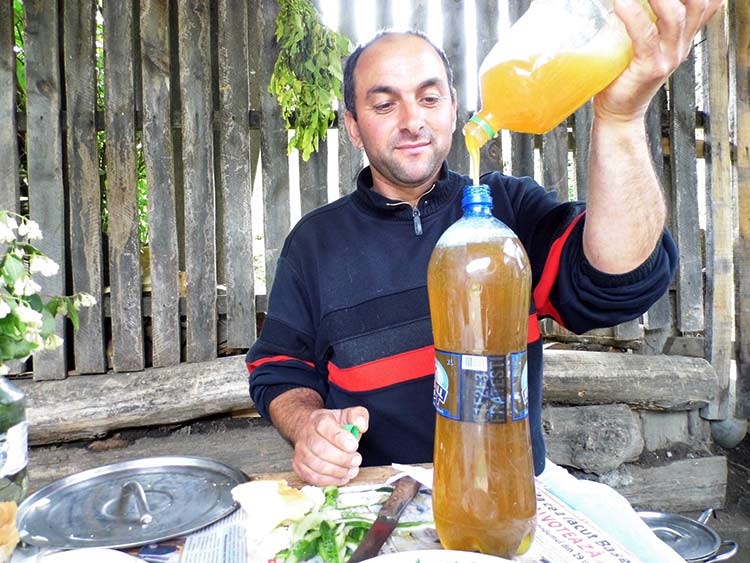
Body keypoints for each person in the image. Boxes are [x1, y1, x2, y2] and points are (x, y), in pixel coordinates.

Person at [247, 0, 723, 486]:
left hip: (506, 496)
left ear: (455, 110)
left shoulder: (508, 210)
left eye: (430, 98)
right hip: (375, 502)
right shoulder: (315, 244)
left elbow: (615, 286)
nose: (413, 120)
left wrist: (621, 118)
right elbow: (278, 368)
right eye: (385, 103)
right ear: (352, 126)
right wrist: (309, 425)